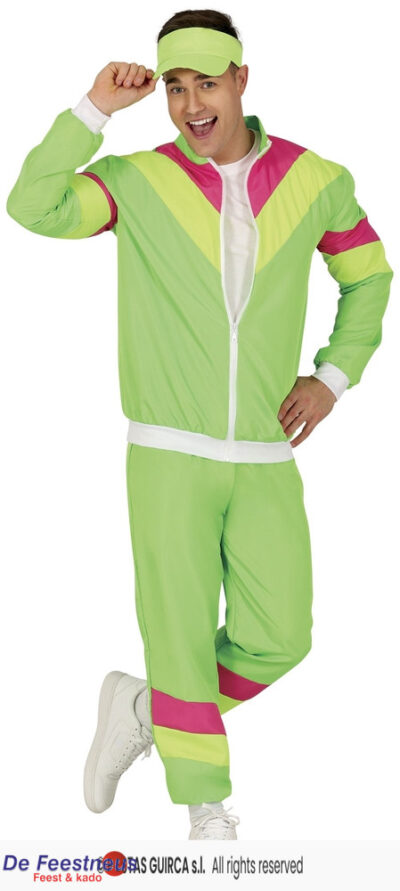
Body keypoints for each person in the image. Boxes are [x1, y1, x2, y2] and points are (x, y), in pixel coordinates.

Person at [6, 8, 393, 841]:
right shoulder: (138, 180)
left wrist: (331, 377)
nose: (189, 105)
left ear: (242, 79)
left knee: (281, 634)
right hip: (168, 452)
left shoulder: (315, 179)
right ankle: (206, 811)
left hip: (265, 449)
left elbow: (369, 277)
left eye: (206, 83)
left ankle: (146, 708)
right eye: (174, 87)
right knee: (178, 631)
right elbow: (31, 206)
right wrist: (93, 109)